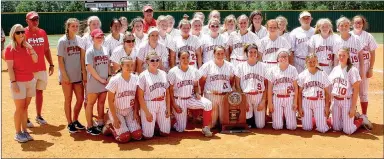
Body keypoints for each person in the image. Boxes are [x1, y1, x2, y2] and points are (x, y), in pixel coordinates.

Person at [5, 24, 38, 143]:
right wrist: (13, 82)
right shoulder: (9, 49)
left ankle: (25, 131)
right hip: (18, 82)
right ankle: (17, 133)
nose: (21, 34)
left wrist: (30, 47)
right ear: (13, 34)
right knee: (19, 108)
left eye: (22, 32)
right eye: (18, 32)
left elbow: (36, 60)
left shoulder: (27, 48)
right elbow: (10, 68)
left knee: (25, 107)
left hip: (30, 80)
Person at [168, 50, 213, 137]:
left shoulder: (194, 70)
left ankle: (205, 128)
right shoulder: (173, 71)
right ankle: (171, 120)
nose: (185, 60)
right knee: (180, 129)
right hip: (178, 100)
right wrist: (174, 104)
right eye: (183, 58)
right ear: (179, 59)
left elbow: (196, 85)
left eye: (187, 57)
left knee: (208, 104)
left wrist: (197, 93)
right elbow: (170, 90)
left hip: (190, 98)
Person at [24, 11, 54, 127]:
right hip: (28, 70)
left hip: (41, 68)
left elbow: (46, 50)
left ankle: (38, 115)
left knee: (39, 92)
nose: (35, 21)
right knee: (28, 94)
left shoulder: (42, 32)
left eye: (37, 19)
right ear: (27, 21)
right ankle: (25, 117)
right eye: (33, 20)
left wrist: (51, 64)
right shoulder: (23, 33)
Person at [328, 48, 367, 135]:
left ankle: (360, 119)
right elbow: (332, 87)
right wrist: (331, 103)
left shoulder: (352, 70)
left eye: (344, 55)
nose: (341, 57)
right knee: (336, 128)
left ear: (348, 56)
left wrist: (353, 108)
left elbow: (356, 89)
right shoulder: (335, 69)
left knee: (348, 130)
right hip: (336, 102)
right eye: (340, 55)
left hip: (347, 101)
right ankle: (346, 120)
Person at [57, 18, 86, 133]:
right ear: (68, 27)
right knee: (68, 99)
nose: (75, 28)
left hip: (78, 75)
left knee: (80, 99)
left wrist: (83, 73)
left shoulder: (80, 40)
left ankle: (75, 120)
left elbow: (82, 58)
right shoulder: (62, 41)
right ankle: (69, 123)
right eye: (72, 26)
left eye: (76, 26)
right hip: (67, 76)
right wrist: (64, 76)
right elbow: (60, 60)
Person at [105, 57, 143, 143]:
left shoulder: (135, 78)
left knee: (137, 135)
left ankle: (126, 124)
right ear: (121, 66)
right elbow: (110, 100)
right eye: (127, 65)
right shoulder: (115, 80)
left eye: (131, 65)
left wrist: (136, 112)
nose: (130, 68)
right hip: (117, 111)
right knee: (124, 137)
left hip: (130, 110)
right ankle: (110, 126)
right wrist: (114, 118)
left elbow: (136, 98)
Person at [350, 15, 378, 129]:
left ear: (363, 24)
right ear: (352, 24)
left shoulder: (368, 36)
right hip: (351, 67)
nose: (358, 24)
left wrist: (371, 68)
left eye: (360, 23)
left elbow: (373, 53)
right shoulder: (349, 35)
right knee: (351, 91)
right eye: (356, 22)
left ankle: (364, 115)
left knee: (363, 92)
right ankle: (354, 114)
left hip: (365, 65)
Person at [199, 46, 235, 128]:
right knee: (211, 125)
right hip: (211, 96)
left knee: (224, 124)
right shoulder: (207, 65)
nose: (220, 55)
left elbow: (232, 80)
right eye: (218, 53)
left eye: (222, 53)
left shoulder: (230, 66)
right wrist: (201, 92)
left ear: (225, 54)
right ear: (214, 54)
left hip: (225, 96)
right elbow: (202, 81)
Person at [137, 52, 171, 139]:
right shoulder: (143, 76)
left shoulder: (163, 74)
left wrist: (168, 107)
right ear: (147, 62)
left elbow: (167, 92)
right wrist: (147, 113)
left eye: (157, 60)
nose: (155, 62)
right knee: (148, 136)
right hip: (149, 104)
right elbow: (140, 97)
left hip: (162, 103)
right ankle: (146, 125)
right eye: (152, 60)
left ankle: (155, 124)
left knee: (165, 133)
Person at [85, 29, 111, 135]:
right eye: (97, 37)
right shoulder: (90, 51)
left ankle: (100, 123)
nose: (100, 39)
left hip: (104, 81)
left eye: (101, 37)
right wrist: (101, 79)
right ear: (92, 38)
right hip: (94, 81)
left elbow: (108, 64)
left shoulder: (105, 49)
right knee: (90, 103)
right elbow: (90, 68)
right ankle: (90, 125)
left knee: (101, 103)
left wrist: (109, 76)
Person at [234, 44, 267, 129]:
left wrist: (263, 101)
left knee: (260, 126)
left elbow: (267, 85)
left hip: (259, 96)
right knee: (247, 124)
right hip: (246, 96)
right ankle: (250, 120)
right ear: (246, 53)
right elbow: (237, 85)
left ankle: (254, 119)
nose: (253, 54)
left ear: (257, 53)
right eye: (250, 52)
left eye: (255, 52)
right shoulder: (240, 66)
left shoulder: (264, 66)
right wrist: (243, 100)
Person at [297, 53, 331, 133]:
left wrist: (326, 106)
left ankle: (328, 122)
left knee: (322, 129)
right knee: (306, 128)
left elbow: (327, 92)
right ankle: (317, 119)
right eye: (310, 62)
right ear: (306, 62)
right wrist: (300, 107)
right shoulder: (302, 75)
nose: (312, 64)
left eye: (314, 61)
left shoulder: (323, 74)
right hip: (306, 102)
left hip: (319, 102)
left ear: (317, 62)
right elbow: (299, 93)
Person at [79, 15, 102, 128]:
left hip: (100, 72)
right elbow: (82, 58)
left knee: (100, 98)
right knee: (88, 98)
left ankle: (99, 120)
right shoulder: (84, 38)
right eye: (93, 24)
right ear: (89, 25)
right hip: (89, 73)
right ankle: (89, 120)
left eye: (97, 24)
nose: (96, 26)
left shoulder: (102, 37)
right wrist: (84, 73)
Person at [266, 48, 298, 130]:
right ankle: (281, 121)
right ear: (277, 58)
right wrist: (270, 103)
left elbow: (296, 87)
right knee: (277, 127)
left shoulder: (293, 69)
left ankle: (287, 121)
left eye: (285, 56)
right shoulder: (272, 70)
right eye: (281, 56)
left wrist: (295, 102)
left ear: (288, 58)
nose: (283, 58)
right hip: (277, 98)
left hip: (289, 98)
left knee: (292, 127)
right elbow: (269, 88)